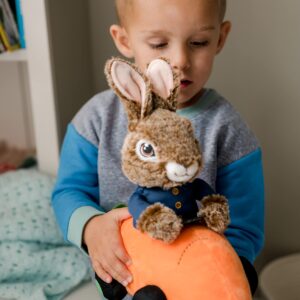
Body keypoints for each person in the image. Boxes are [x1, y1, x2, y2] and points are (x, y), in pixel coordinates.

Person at [52, 0, 264, 297]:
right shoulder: (97, 119)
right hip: (122, 283)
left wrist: (225, 274)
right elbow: (67, 192)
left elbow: (243, 227)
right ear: (124, 40)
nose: (179, 60)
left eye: (199, 42)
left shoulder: (229, 130)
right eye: (159, 43)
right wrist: (90, 227)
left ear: (221, 37)